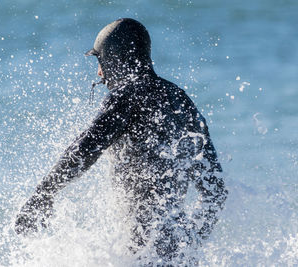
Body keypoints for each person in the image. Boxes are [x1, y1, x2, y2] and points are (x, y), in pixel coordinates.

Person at [15, 18, 227, 264]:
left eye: (100, 61)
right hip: (178, 252)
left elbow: (84, 150)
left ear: (115, 58)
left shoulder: (126, 97)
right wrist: (190, 242)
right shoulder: (180, 100)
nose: (99, 73)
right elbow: (216, 192)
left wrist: (43, 194)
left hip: (142, 253)